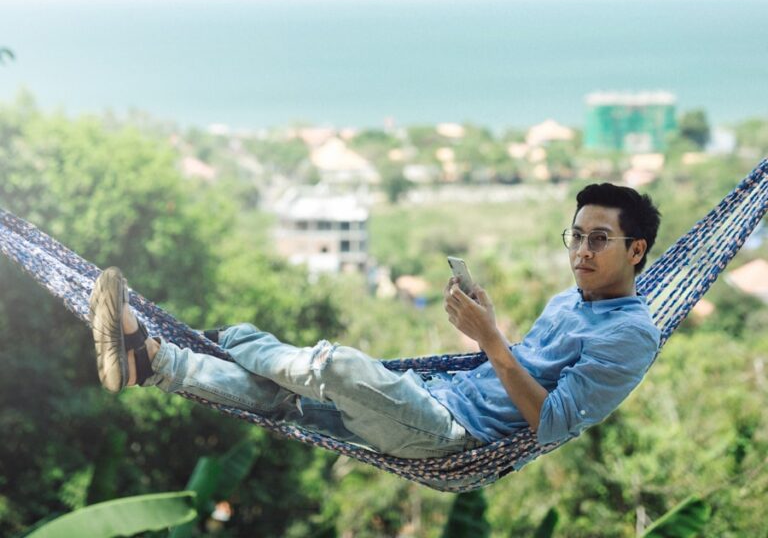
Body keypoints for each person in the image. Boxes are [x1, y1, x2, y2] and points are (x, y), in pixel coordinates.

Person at [90, 182, 662, 461]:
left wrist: (489, 338)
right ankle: (154, 362)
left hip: (446, 432)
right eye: (577, 236)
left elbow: (554, 423)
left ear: (636, 251)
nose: (582, 251)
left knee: (334, 364)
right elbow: (519, 367)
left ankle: (230, 342)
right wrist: (490, 328)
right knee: (279, 398)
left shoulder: (631, 336)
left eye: (600, 239)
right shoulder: (570, 300)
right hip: (427, 395)